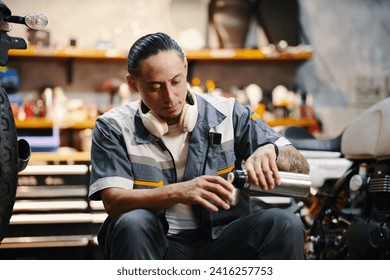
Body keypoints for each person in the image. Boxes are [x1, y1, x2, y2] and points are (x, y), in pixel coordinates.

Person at [89, 32, 310, 260]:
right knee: (132, 222)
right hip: (156, 245)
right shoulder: (113, 127)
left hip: (223, 241)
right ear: (133, 84)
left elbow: (302, 166)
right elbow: (114, 202)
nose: (170, 96)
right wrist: (180, 192)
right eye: (155, 87)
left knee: (284, 224)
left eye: (176, 81)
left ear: (185, 68)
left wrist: (271, 151)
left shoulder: (229, 113)